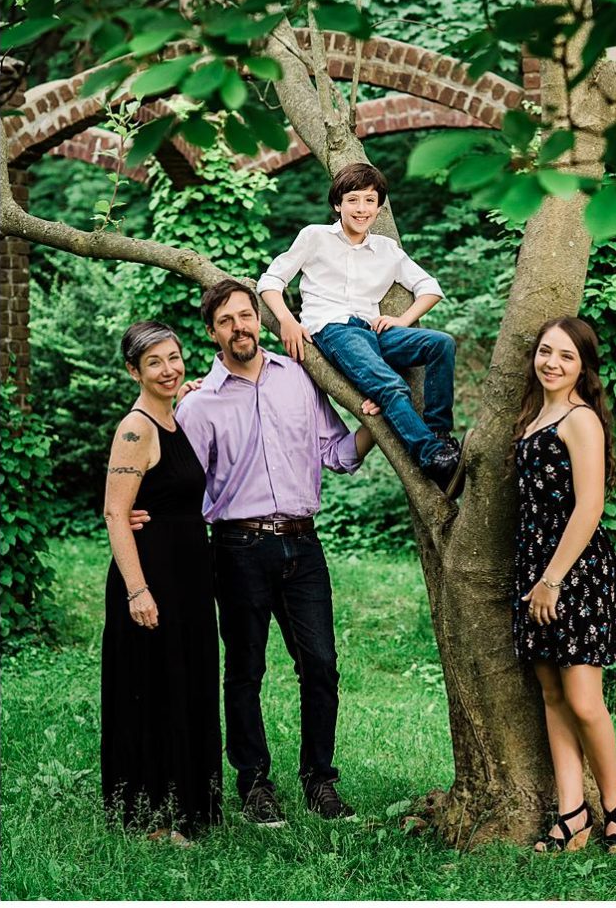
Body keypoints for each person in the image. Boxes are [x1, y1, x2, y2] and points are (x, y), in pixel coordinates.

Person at [168, 279, 378, 827]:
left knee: (322, 665)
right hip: (238, 548)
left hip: (304, 545)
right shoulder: (199, 405)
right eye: (227, 321)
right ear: (211, 332)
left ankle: (319, 781)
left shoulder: (300, 380)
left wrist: (379, 423)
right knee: (245, 669)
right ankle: (254, 783)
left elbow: (337, 452)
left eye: (247, 315)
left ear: (259, 318)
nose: (240, 327)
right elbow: (181, 486)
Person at [256, 161, 471, 499]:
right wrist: (288, 321)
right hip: (334, 330)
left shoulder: (386, 249)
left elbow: (430, 287)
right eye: (353, 199)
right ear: (337, 204)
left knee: (439, 344)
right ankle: (432, 458)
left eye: (370, 200)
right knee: (390, 385)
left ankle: (440, 437)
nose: (361, 209)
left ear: (379, 206)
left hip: (374, 332)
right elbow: (270, 281)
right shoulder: (315, 237)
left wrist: (402, 320)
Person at [512, 316, 616, 853]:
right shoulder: (535, 415)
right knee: (552, 696)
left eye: (565, 356)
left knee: (584, 701)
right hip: (533, 571)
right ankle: (571, 817)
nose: (551, 363)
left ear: (583, 366)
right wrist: (535, 579)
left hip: (574, 575)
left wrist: (552, 581)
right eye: (544, 352)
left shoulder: (581, 420)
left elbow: (589, 508)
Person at [102, 321, 222, 845]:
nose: (169, 369)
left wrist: (188, 388)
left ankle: (188, 802)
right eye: (154, 362)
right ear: (134, 371)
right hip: (152, 579)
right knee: (152, 689)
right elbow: (114, 512)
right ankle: (151, 817)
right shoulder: (136, 429)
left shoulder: (170, 417)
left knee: (186, 683)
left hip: (189, 578)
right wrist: (138, 590)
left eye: (174, 358)